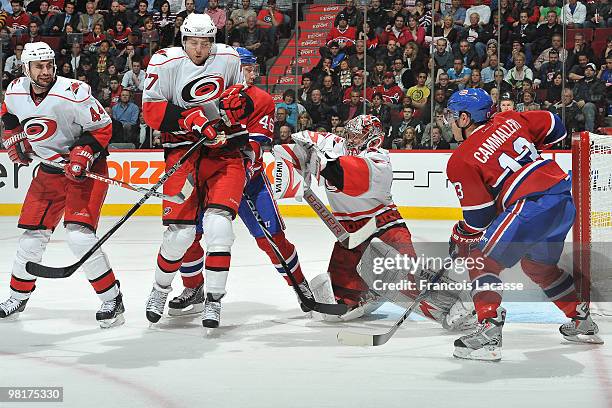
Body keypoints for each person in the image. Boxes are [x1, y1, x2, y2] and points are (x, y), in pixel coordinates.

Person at [445, 88, 603, 361]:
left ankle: (488, 332)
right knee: (538, 266)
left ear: (464, 118)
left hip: (531, 205)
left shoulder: (460, 159)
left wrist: (461, 234)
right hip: (562, 199)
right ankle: (581, 321)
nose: (447, 121)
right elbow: (557, 127)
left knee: (480, 259)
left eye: (450, 115)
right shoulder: (511, 119)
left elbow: (479, 218)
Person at [284, 116, 474, 327]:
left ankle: (461, 300)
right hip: (349, 237)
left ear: (373, 139)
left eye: (357, 136)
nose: (351, 140)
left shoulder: (380, 160)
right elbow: (299, 141)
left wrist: (320, 163)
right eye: (349, 134)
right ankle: (369, 294)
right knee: (337, 306)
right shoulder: (334, 144)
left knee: (406, 278)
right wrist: (292, 161)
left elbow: (347, 175)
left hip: (385, 228)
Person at [171, 47, 313, 317]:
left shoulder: (262, 99)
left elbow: (258, 144)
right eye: (246, 67)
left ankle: (300, 286)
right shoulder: (207, 93)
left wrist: (243, 170)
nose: (253, 72)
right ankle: (194, 287)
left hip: (250, 180)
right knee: (186, 231)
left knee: (271, 238)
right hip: (211, 178)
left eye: (253, 67)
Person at [0, 42, 124, 328]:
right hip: (49, 172)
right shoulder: (16, 90)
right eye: (39, 67)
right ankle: (18, 295)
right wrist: (13, 133)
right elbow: (8, 112)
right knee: (31, 239)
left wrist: (84, 152)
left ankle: (112, 298)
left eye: (49, 65)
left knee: (79, 237)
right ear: (25, 68)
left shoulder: (74, 92)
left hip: (84, 169)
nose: (46, 72)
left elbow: (103, 127)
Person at [141, 13, 246, 328]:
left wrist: (231, 114)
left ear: (213, 41)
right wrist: (192, 119)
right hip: (182, 154)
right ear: (183, 40)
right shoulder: (163, 62)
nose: (199, 49)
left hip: (222, 153)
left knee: (219, 227)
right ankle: (160, 289)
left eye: (205, 43)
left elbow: (239, 101)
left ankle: (213, 300)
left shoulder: (228, 59)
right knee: (180, 234)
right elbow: (151, 110)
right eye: (193, 42)